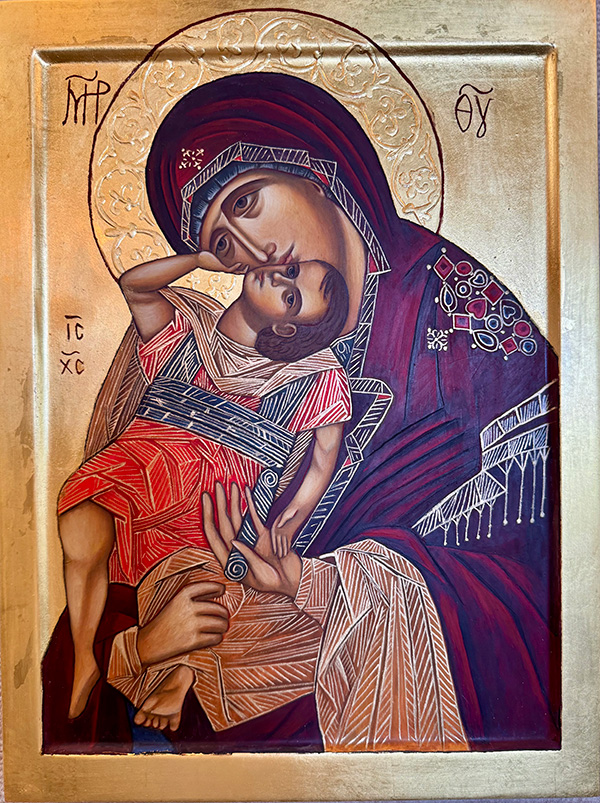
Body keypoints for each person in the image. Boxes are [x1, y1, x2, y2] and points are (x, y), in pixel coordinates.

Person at [43, 71, 559, 754]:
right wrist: (138, 646)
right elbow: (115, 554)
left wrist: (314, 583)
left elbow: (543, 575)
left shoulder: (464, 317)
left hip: (369, 711)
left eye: (247, 201)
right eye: (223, 242)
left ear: (314, 167)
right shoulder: (201, 338)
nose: (253, 249)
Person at [57, 249, 351, 725]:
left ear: (286, 330)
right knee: (80, 524)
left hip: (210, 502)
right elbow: (134, 286)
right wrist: (198, 260)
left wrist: (291, 519)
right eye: (291, 271)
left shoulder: (310, 375)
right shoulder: (186, 335)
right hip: (130, 475)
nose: (280, 278)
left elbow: (323, 460)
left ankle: (181, 675)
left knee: (201, 588)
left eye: (291, 297)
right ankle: (84, 656)